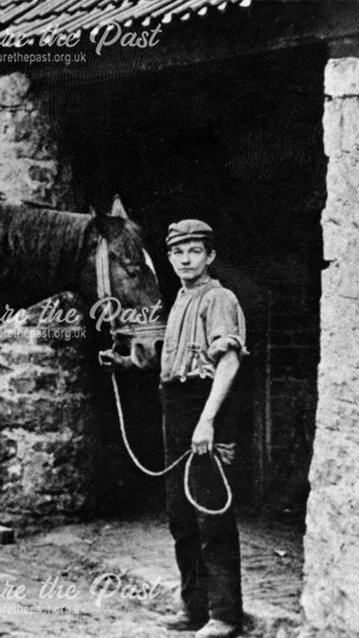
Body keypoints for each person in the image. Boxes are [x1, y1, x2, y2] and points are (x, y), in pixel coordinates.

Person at [101, 219, 246, 638]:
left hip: (203, 411)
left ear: (210, 256)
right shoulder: (180, 299)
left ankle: (225, 615)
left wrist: (207, 422)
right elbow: (171, 360)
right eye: (178, 252)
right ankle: (195, 609)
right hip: (177, 411)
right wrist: (126, 364)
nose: (186, 258)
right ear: (169, 258)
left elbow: (229, 362)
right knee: (181, 517)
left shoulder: (218, 298)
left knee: (211, 514)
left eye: (195, 251)